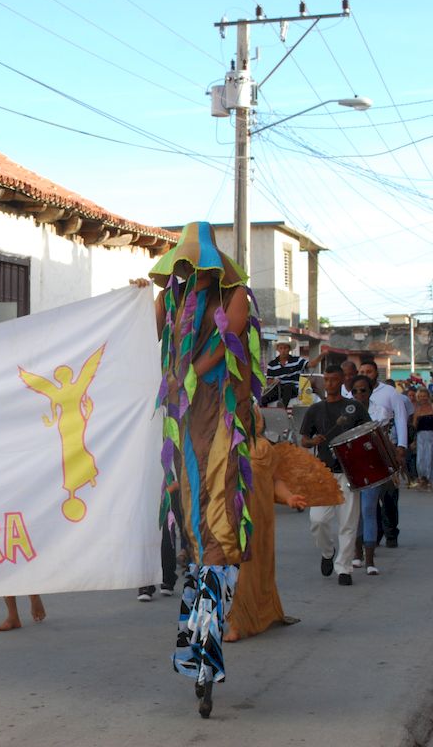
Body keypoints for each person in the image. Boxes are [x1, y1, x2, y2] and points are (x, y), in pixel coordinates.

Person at [144, 220, 263, 719]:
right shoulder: (174, 302)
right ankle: (200, 644)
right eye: (184, 265)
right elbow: (155, 327)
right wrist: (148, 295)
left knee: (221, 508)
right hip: (187, 413)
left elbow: (231, 334)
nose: (191, 272)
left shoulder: (233, 294)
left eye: (198, 265)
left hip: (219, 406)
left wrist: (196, 368)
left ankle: (214, 605)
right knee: (191, 513)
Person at [225, 407, 308, 642]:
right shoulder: (222, 447)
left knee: (254, 567)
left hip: (259, 517)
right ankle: (235, 620)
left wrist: (289, 497)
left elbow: (275, 480)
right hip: (230, 515)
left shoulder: (264, 449)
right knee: (233, 567)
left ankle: (245, 619)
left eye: (253, 418)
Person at [300, 366, 370, 586]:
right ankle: (327, 552)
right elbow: (304, 439)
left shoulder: (354, 407)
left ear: (341, 381)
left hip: (349, 472)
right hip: (323, 473)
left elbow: (367, 432)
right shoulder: (315, 409)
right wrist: (313, 441)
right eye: (326, 380)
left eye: (333, 380)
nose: (329, 383)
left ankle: (344, 568)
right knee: (317, 520)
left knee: (348, 522)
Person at [359, 359, 408, 547]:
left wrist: (401, 447)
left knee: (388, 494)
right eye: (362, 370)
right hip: (363, 453)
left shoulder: (389, 393)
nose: (365, 374)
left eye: (369, 371)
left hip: (386, 449)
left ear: (376, 373)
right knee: (369, 497)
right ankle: (374, 533)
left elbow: (401, 420)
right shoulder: (352, 392)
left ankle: (391, 531)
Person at [344, 375, 384, 576]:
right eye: (355, 391)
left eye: (363, 390)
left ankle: (370, 558)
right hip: (352, 467)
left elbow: (383, 439)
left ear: (370, 391)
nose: (359, 394)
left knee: (368, 509)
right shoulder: (347, 412)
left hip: (373, 465)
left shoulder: (379, 411)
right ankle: (357, 552)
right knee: (354, 511)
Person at [262, 340, 324, 407]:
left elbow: (312, 364)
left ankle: (283, 407)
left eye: (285, 348)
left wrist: (322, 354)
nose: (283, 350)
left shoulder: (297, 360)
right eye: (281, 348)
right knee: (263, 399)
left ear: (289, 349)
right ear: (278, 349)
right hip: (278, 389)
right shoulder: (272, 364)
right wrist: (274, 381)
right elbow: (269, 381)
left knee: (288, 387)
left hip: (293, 389)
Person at [413, 387, 433, 491]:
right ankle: (423, 480)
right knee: (421, 461)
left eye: (424, 396)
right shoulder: (417, 410)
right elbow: (414, 427)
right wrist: (413, 441)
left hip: (432, 436)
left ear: (428, 396)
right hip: (421, 437)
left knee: (432, 458)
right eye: (420, 396)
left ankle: (431, 481)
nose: (423, 398)